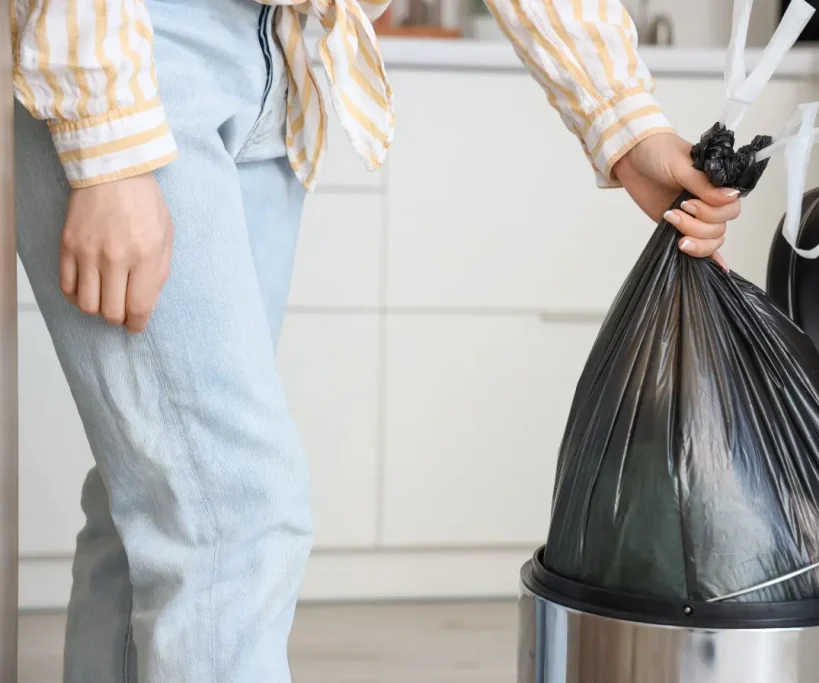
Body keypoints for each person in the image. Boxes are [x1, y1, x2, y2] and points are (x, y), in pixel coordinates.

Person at [10, 0, 741, 680]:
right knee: (228, 512)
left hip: (284, 57)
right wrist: (107, 135)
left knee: (159, 494)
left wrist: (627, 124)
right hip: (137, 41)